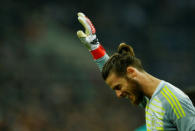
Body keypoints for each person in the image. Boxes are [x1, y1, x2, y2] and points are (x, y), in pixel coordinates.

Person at [76, 12, 195, 131]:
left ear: (131, 72)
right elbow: (114, 73)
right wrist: (94, 46)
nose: (118, 95)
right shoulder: (149, 99)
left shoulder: (174, 101)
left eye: (118, 87)